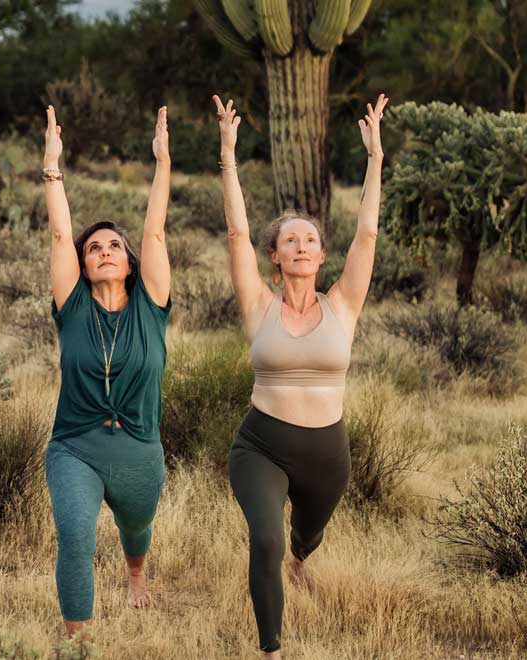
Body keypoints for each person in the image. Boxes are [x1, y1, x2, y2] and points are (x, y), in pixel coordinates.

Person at [213, 93, 388, 658]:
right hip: (261, 444)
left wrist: (374, 159)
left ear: (319, 254)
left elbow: (366, 237)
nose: (303, 245)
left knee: (303, 537)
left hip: (327, 454)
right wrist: (228, 156)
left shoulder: (342, 306)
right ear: (276, 256)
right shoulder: (258, 305)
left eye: (311, 239)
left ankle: (301, 556)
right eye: (291, 239)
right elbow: (237, 234)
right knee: (263, 540)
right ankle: (272, 649)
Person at [41, 104, 173, 636]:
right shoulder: (72, 306)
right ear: (83, 262)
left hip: (141, 450)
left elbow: (157, 233)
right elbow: (58, 235)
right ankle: (79, 641)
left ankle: (135, 572)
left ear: (131, 259)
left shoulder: (151, 304)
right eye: (93, 248)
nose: (104, 251)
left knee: (136, 527)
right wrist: (53, 168)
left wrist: (162, 164)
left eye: (114, 245)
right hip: (74, 446)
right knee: (76, 535)